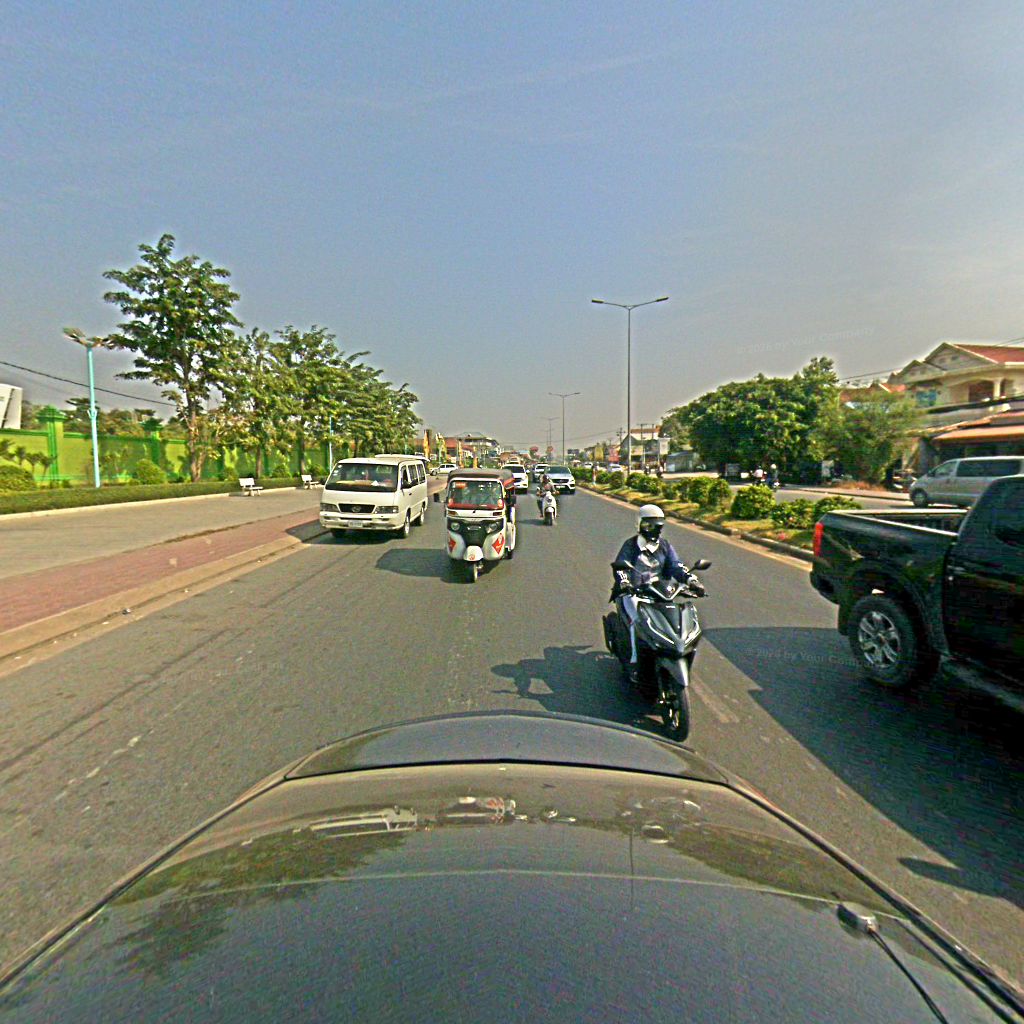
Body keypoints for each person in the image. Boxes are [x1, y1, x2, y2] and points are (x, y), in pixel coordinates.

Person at [611, 504, 704, 683]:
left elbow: (676, 566)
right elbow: (621, 566)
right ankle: (634, 662)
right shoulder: (630, 545)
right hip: (635, 592)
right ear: (639, 524)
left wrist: (692, 581)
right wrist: (625, 582)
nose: (653, 529)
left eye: (657, 525)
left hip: (660, 593)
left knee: (677, 621)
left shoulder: (665, 546)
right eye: (649, 525)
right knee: (636, 621)